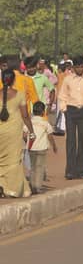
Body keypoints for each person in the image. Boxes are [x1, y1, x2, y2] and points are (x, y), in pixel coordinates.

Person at [0, 68, 31, 198]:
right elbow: (25, 115)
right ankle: (12, 189)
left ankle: (2, 185)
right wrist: (31, 130)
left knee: (1, 160)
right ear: (13, 80)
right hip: (14, 131)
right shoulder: (20, 94)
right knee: (14, 160)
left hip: (1, 131)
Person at [27, 100, 57, 192]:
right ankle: (37, 186)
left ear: (33, 111)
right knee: (40, 167)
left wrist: (27, 142)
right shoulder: (45, 123)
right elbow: (50, 136)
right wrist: (54, 146)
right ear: (43, 112)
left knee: (33, 167)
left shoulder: (30, 122)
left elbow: (24, 134)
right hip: (42, 148)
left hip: (31, 148)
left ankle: (32, 185)